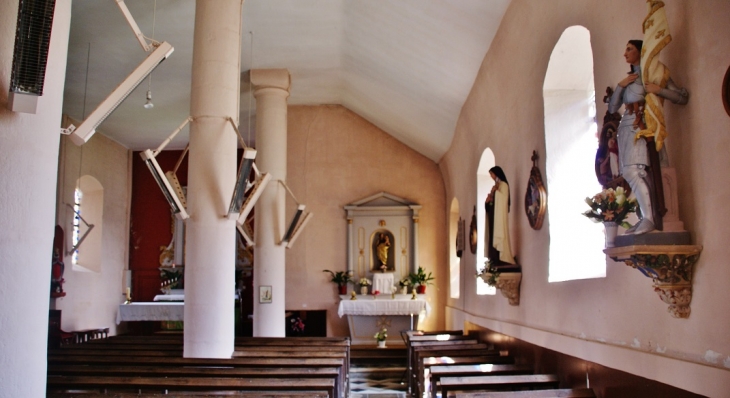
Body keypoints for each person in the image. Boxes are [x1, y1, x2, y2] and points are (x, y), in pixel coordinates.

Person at [608, 40, 688, 235]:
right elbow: (612, 108)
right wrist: (620, 86)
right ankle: (645, 217)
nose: (625, 53)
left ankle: (649, 219)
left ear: (641, 51)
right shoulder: (628, 81)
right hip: (626, 127)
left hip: (643, 125)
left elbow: (681, 97)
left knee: (636, 172)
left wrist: (658, 90)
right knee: (629, 172)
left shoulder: (656, 75)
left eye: (629, 49)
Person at [484, 166, 516, 265]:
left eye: (492, 174)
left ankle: (502, 258)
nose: (491, 177)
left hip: (499, 218)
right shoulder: (497, 185)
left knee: (499, 235)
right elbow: (492, 204)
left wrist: (495, 192)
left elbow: (503, 200)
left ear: (497, 173)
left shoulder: (504, 185)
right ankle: (494, 259)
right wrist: (488, 202)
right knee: (492, 235)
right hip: (494, 217)